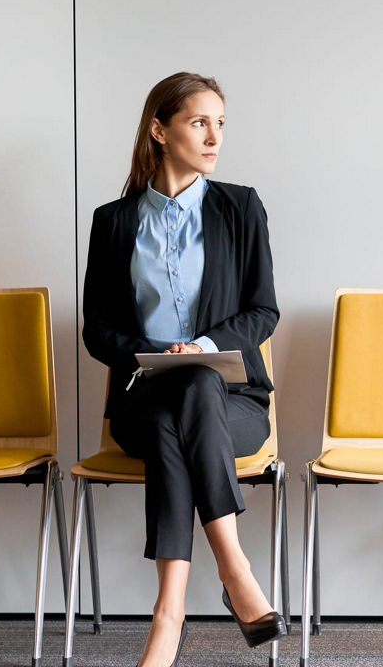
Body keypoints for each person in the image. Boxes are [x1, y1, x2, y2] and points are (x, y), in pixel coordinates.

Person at [82, 72, 284, 667]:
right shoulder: (114, 222)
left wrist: (199, 344)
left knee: (195, 383)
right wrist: (150, 352)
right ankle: (234, 567)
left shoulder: (240, 207)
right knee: (176, 399)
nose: (214, 136)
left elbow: (263, 310)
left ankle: (168, 615)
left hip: (235, 405)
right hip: (142, 402)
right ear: (159, 130)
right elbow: (99, 331)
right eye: (199, 122)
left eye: (220, 123)